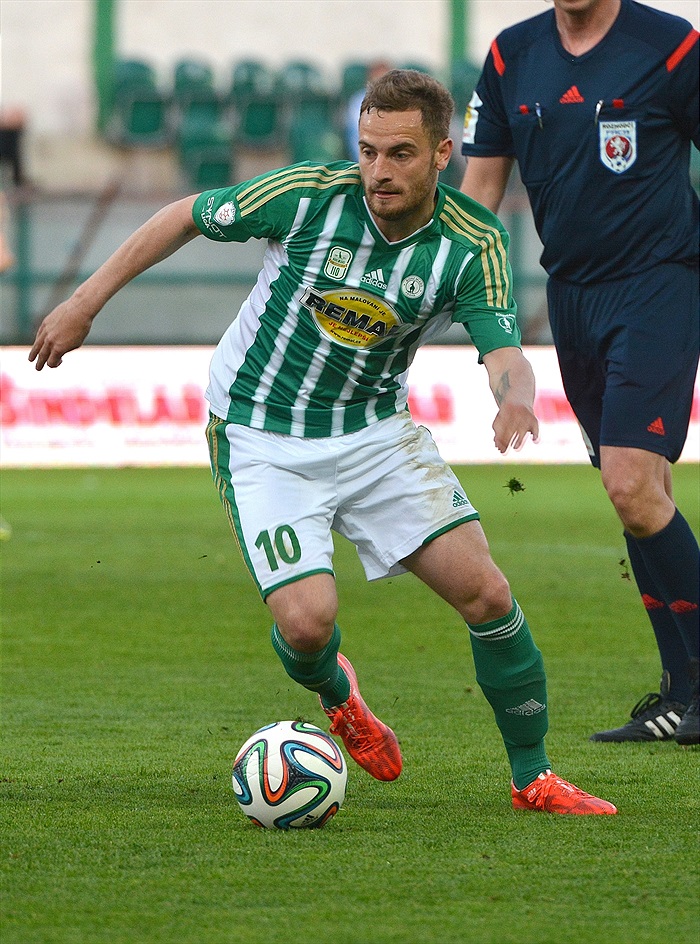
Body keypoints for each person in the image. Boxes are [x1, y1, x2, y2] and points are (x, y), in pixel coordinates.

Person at [29, 69, 617, 814]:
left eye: (401, 153)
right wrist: (83, 304)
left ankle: (533, 777)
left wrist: (516, 401)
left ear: (443, 154)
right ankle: (338, 694)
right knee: (308, 626)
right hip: (260, 432)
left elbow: (503, 352)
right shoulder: (309, 195)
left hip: (374, 432)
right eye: (368, 150)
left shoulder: (473, 243)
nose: (378, 170)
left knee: (488, 593)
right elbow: (182, 214)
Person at [460, 0, 699, 745]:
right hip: (571, 296)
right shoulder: (509, 56)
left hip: (658, 282)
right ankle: (683, 691)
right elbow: (481, 196)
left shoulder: (672, 46)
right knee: (637, 496)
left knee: (630, 480)